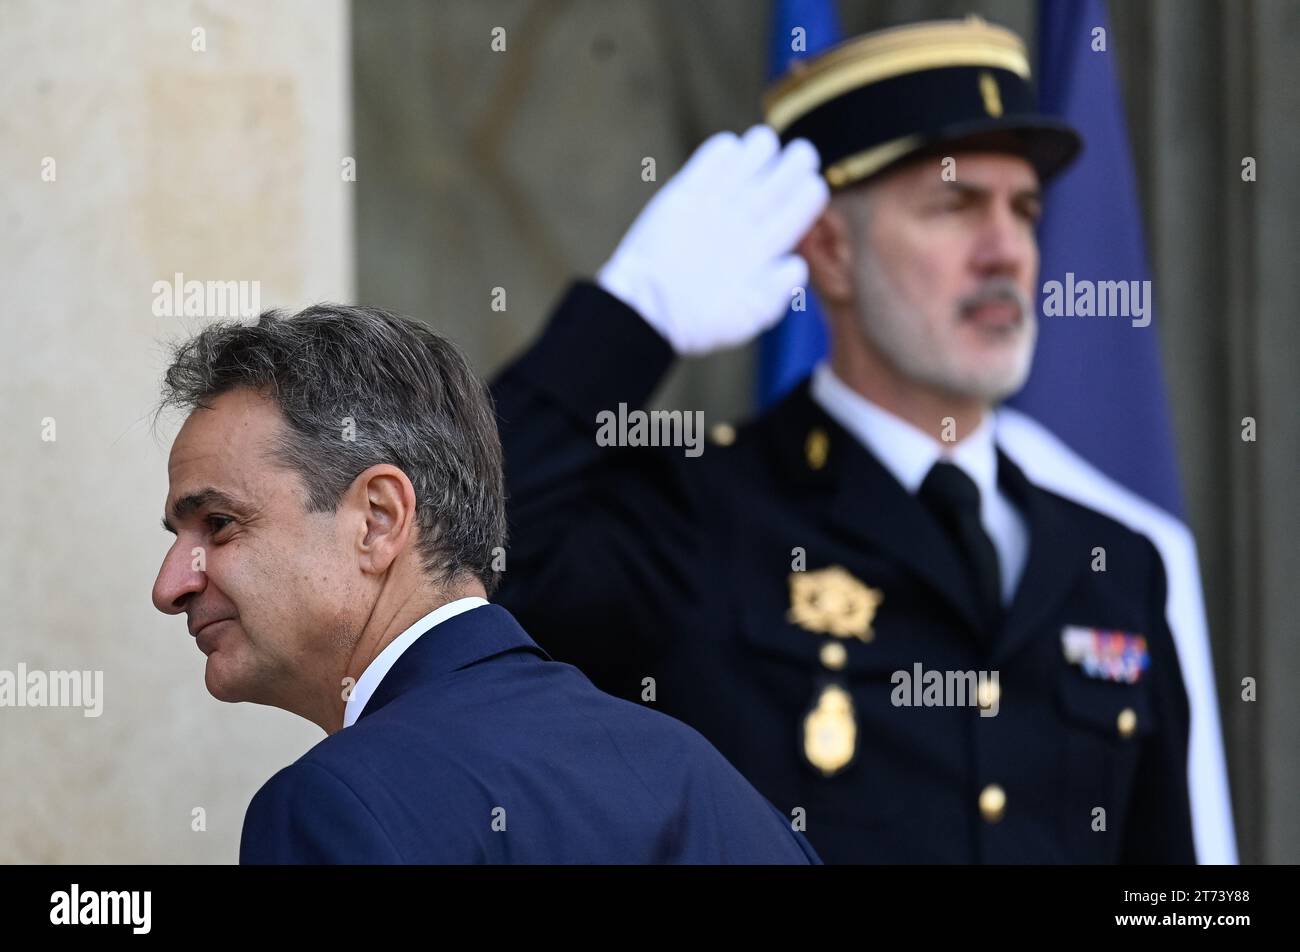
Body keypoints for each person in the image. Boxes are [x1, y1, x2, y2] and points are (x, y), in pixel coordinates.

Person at [492, 17, 1195, 863]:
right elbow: (459, 557)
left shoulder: (1114, 564)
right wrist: (630, 320)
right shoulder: (703, 513)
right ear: (828, 249)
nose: (1006, 251)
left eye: (1026, 210)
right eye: (955, 204)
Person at [150, 302, 819, 864]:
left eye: (219, 523)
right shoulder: (704, 780)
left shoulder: (335, 804)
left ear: (378, 521)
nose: (171, 584)